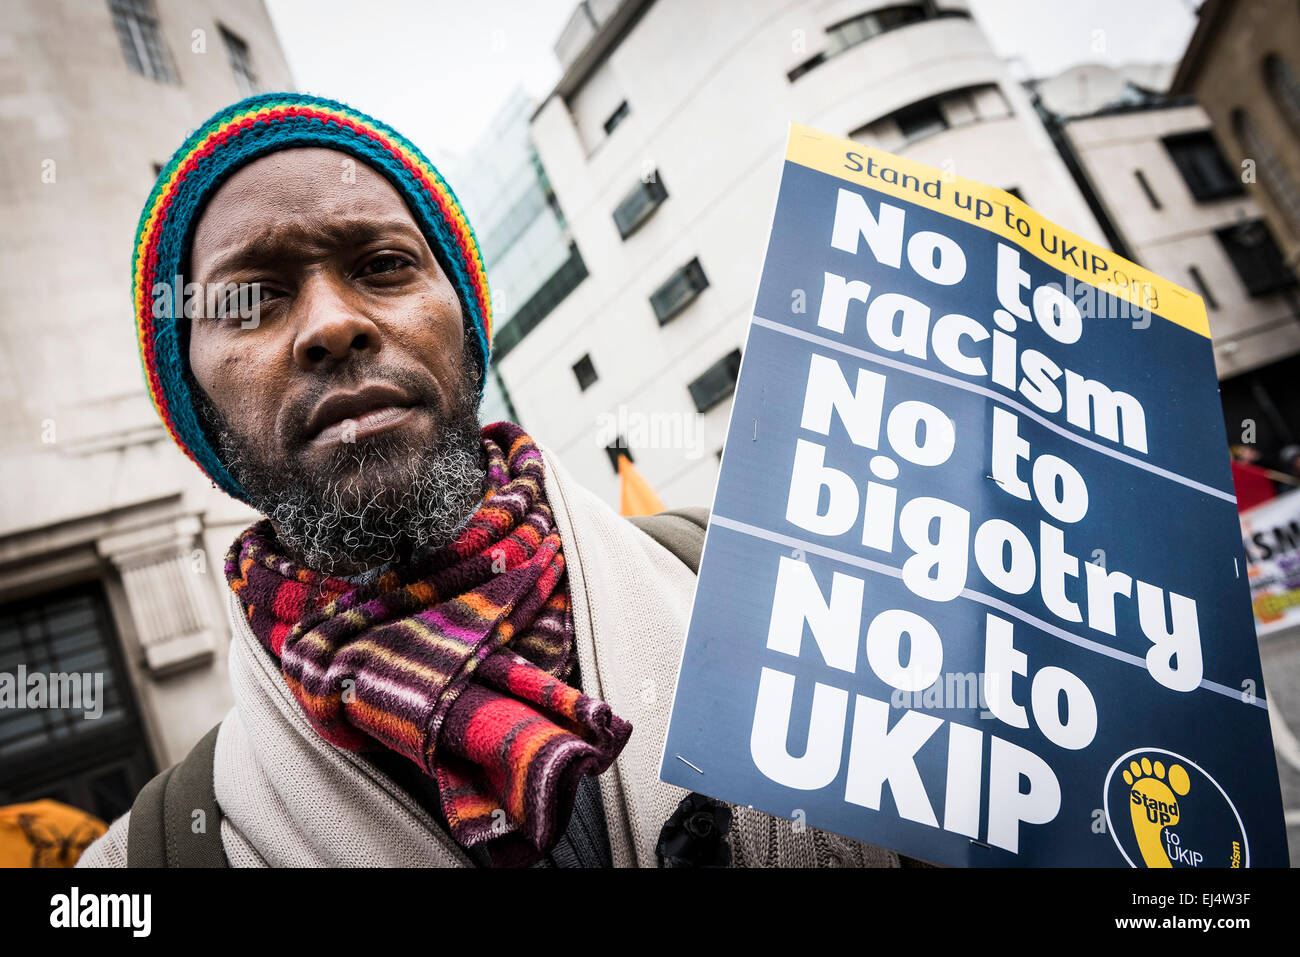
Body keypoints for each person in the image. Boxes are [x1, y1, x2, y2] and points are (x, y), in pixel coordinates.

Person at [78, 93, 910, 869]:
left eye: (383, 264)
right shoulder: (149, 857)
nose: (333, 324)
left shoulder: (785, 598)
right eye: (251, 297)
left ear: (467, 325)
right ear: (194, 398)